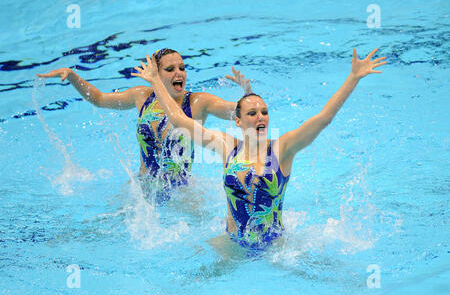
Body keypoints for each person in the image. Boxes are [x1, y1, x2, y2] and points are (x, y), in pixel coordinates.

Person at [131, 48, 387, 248]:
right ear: (238, 121)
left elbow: (323, 119)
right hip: (231, 242)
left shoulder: (282, 149)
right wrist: (155, 81)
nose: (260, 116)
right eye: (252, 113)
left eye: (264, 112)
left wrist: (353, 78)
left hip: (275, 247)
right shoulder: (225, 146)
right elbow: (179, 120)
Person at [36, 48, 252, 203]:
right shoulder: (142, 96)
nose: (179, 73)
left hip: (182, 192)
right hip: (143, 188)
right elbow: (99, 99)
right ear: (155, 75)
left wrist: (248, 94)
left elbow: (240, 113)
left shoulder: (197, 102)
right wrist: (74, 76)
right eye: (170, 69)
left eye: (182, 68)